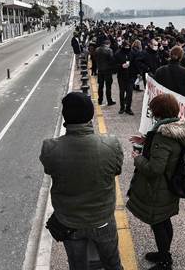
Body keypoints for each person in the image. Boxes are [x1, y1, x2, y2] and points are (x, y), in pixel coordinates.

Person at [40, 92, 123, 270]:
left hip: (70, 222)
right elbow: (117, 170)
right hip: (102, 219)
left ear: (66, 116)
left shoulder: (50, 148)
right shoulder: (111, 144)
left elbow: (49, 169)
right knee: (113, 264)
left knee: (77, 266)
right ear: (90, 114)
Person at [127, 93, 185, 270]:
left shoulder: (163, 135)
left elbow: (155, 169)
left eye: (152, 111)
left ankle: (165, 261)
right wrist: (147, 141)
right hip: (171, 185)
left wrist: (137, 158)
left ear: (159, 112)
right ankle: (164, 253)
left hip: (159, 188)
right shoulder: (178, 129)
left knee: (158, 222)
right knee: (164, 220)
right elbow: (170, 151)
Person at [115, 40, 137, 115]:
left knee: (130, 93)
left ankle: (128, 108)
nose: (127, 48)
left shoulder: (132, 53)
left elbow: (135, 63)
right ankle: (122, 107)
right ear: (123, 46)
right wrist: (121, 66)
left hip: (130, 76)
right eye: (126, 46)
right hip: (121, 76)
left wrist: (136, 73)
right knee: (122, 92)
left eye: (128, 46)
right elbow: (114, 65)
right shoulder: (118, 54)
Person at [95, 40, 117, 106]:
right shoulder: (109, 50)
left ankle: (100, 100)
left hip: (100, 70)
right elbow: (112, 60)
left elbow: (95, 58)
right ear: (108, 44)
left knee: (100, 86)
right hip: (108, 70)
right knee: (108, 86)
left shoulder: (97, 49)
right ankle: (109, 100)